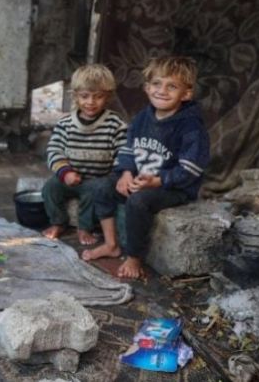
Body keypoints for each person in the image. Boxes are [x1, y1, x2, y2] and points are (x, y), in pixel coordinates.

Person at [81, 56, 210, 279]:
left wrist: (157, 181)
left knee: (138, 202)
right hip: (141, 178)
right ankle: (111, 244)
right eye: (157, 84)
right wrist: (126, 173)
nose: (162, 91)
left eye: (172, 86)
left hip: (174, 188)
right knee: (101, 187)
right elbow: (128, 149)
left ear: (186, 94)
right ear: (147, 87)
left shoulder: (191, 126)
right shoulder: (143, 117)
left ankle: (134, 256)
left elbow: (190, 170)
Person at [41, 64, 127, 244]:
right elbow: (54, 150)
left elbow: (123, 152)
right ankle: (58, 222)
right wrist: (65, 172)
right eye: (84, 96)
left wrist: (114, 178)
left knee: (95, 191)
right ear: (75, 96)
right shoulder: (66, 123)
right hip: (70, 177)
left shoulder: (115, 124)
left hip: (99, 180)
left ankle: (84, 228)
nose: (90, 102)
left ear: (108, 96)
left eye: (98, 97)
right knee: (50, 188)